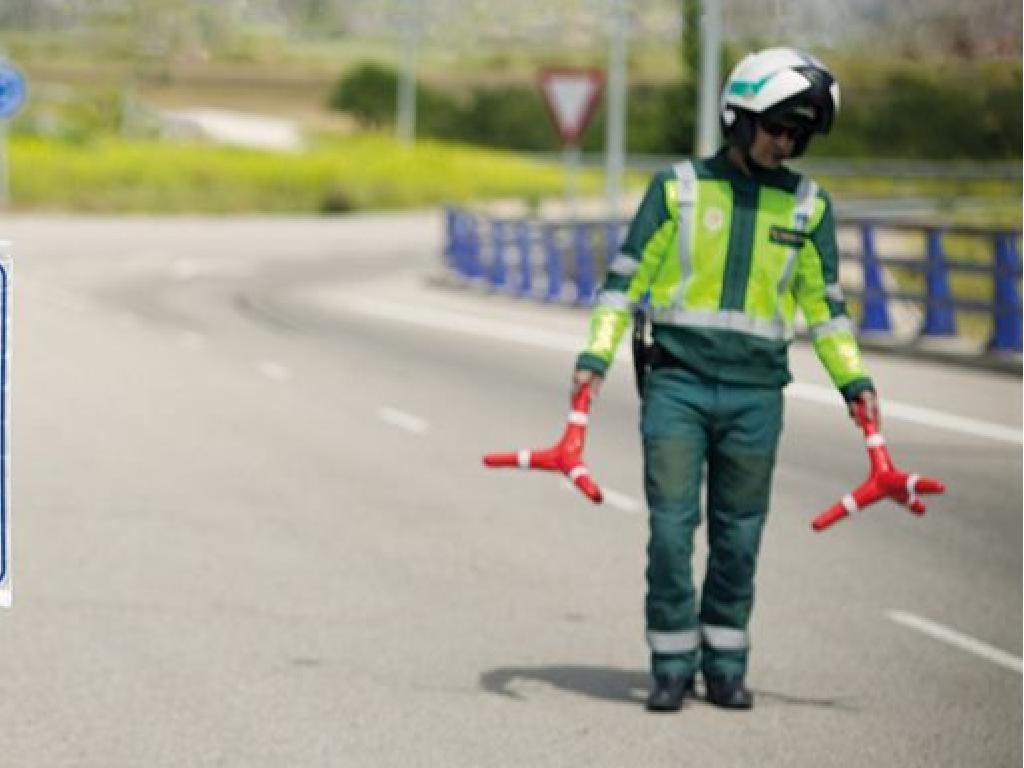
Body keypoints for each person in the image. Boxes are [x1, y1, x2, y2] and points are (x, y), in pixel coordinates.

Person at [571, 47, 878, 712]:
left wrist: (855, 381)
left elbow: (825, 309)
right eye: (775, 127)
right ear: (738, 117)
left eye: (797, 133)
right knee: (674, 532)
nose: (785, 143)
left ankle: (727, 663)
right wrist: (594, 359)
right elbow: (622, 286)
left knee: (739, 535)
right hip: (678, 385)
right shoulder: (678, 188)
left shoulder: (807, 206)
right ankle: (672, 663)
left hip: (756, 395)